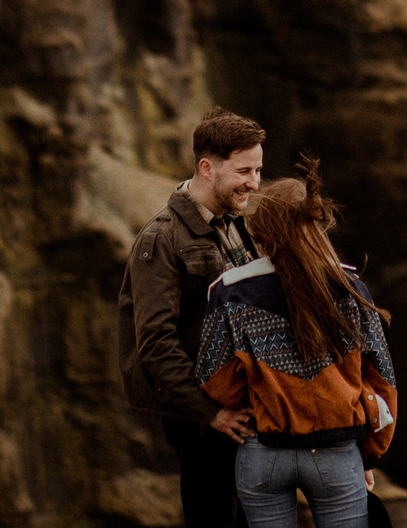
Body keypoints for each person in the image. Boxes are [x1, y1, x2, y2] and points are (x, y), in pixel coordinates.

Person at [194, 159, 397, 528]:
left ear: (261, 230)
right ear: (316, 224)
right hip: (337, 454)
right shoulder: (351, 289)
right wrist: (367, 457)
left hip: (262, 452)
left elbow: (214, 378)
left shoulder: (231, 291)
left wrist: (263, 395)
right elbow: (383, 381)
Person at [120, 107, 267, 528]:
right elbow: (154, 342)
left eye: (258, 170)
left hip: (242, 407)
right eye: (243, 171)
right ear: (207, 167)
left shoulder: (236, 224)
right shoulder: (160, 237)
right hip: (202, 421)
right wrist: (210, 414)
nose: (253, 183)